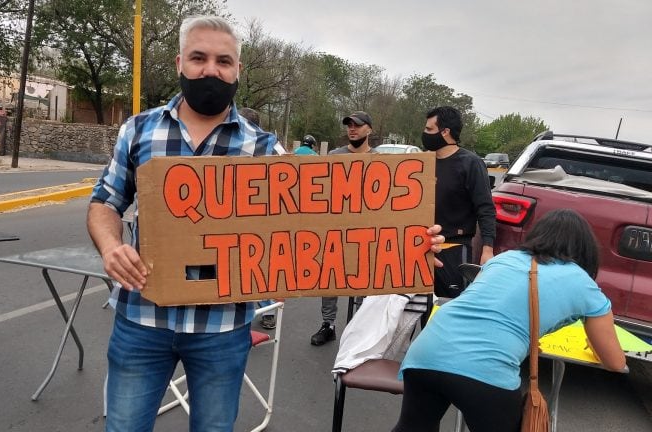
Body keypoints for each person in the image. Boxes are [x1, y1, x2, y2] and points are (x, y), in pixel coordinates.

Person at [88, 16, 447, 431]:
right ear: (179, 63)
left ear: (238, 70)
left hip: (221, 329)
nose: (211, 70)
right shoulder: (138, 129)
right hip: (141, 320)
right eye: (199, 57)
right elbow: (105, 203)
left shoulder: (264, 150)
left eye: (224, 61)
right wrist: (112, 247)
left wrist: (406, 245)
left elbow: (323, 229)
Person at [393, 209, 627, 432]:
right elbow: (615, 362)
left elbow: (490, 309)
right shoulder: (581, 282)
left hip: (427, 351)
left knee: (414, 427)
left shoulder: (504, 259)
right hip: (485, 369)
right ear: (585, 250)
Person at [310, 111, 376, 346]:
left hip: (366, 230)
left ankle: (358, 330)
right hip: (335, 228)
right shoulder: (334, 156)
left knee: (363, 281)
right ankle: (328, 324)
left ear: (369, 129)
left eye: (357, 125)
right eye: (349, 125)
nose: (352, 129)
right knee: (330, 278)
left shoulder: (380, 159)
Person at [422, 106, 495, 298]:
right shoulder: (421, 162)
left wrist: (488, 249)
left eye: (429, 129)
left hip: (453, 249)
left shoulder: (470, 163)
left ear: (445, 132)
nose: (425, 134)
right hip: (420, 248)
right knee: (418, 307)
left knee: (445, 307)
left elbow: (485, 208)